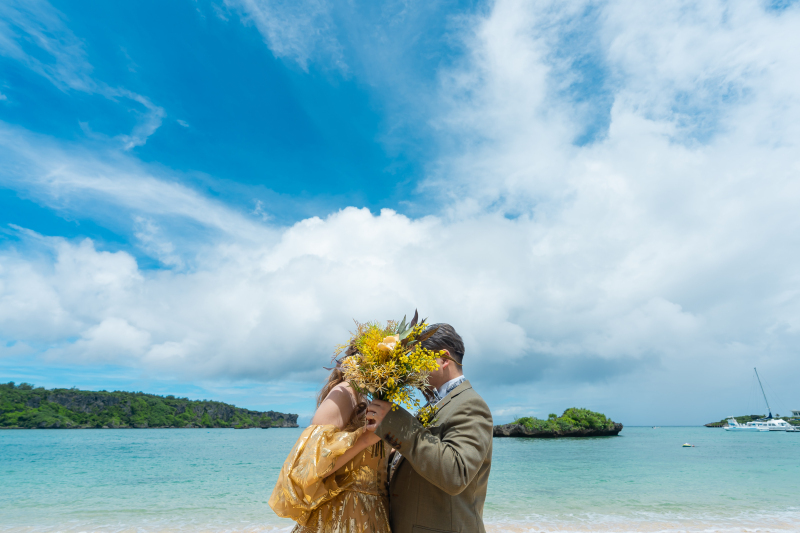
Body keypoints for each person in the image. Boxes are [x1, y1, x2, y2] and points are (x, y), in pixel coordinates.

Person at [366, 323, 493, 533]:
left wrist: (396, 422)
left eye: (417, 360)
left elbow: (456, 474)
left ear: (443, 359)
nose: (412, 369)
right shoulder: (435, 403)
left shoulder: (470, 404)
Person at [269, 354, 391, 533]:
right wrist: (365, 438)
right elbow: (309, 466)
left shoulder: (363, 399)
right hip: (345, 516)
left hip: (369, 514)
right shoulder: (345, 392)